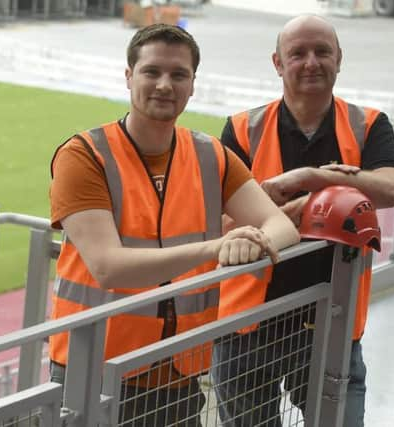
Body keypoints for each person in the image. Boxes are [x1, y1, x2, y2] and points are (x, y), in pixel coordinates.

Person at [47, 23, 299, 427]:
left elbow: (281, 225)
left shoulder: (209, 155)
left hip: (180, 374)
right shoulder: (84, 156)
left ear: (193, 84)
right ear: (129, 76)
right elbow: (107, 267)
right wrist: (216, 248)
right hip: (95, 370)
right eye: (152, 72)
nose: (165, 85)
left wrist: (253, 241)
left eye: (179, 75)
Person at [212, 15, 394, 427]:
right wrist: (311, 205)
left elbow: (389, 189)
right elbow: (224, 222)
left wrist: (312, 179)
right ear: (278, 63)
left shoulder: (367, 124)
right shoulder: (244, 129)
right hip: (248, 322)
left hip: (332, 319)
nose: (311, 62)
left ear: (340, 59)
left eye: (322, 51)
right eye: (298, 53)